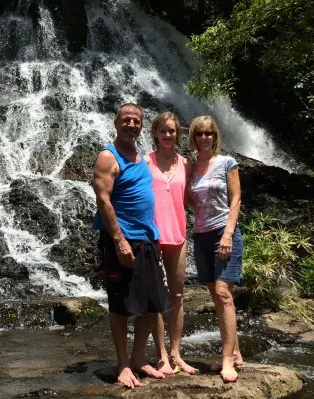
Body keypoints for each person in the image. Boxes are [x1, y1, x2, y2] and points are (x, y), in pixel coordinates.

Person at [93, 103, 171, 389]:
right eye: (126, 120)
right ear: (116, 123)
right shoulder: (107, 156)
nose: (131, 125)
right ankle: (123, 364)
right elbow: (103, 200)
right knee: (121, 304)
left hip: (147, 240)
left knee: (152, 303)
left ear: (141, 125)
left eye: (136, 121)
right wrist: (119, 240)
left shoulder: (140, 157)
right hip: (123, 241)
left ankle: (139, 358)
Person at [188, 116, 244, 382]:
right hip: (201, 236)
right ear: (194, 137)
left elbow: (236, 199)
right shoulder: (189, 166)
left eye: (209, 133)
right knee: (217, 296)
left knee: (223, 294)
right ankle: (236, 352)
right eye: (199, 133)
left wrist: (229, 235)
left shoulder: (226, 163)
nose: (204, 138)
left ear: (215, 136)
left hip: (224, 233)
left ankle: (227, 361)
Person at [145, 112, 197, 376]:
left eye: (172, 131)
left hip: (177, 234)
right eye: (163, 131)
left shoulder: (186, 163)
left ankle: (176, 353)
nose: (167, 135)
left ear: (178, 134)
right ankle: (161, 356)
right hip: (152, 237)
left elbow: (192, 197)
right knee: (156, 298)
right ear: (155, 133)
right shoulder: (145, 162)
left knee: (177, 296)